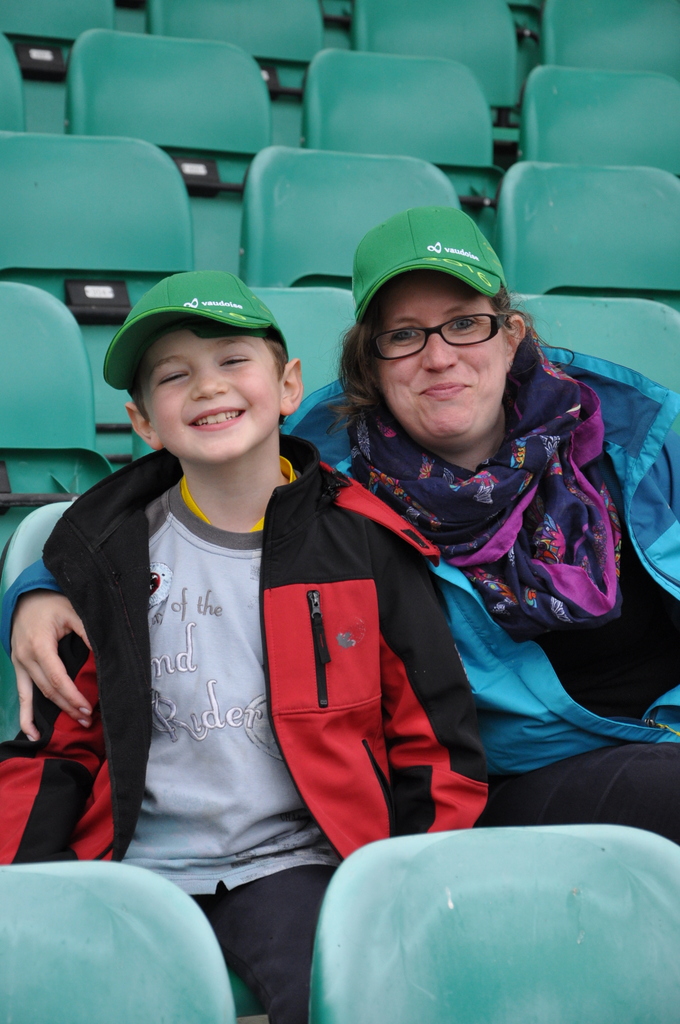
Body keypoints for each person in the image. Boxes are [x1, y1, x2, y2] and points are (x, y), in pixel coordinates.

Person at [8, 203, 680, 839]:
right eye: (404, 335)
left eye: (464, 323)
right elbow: (186, 476)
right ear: (370, 364)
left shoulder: (630, 432)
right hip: (516, 775)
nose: (439, 356)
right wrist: (45, 584)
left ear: (511, 339)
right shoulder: (327, 469)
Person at [0, 270, 487, 1024]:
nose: (207, 386)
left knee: (348, 996)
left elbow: (435, 737)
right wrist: (27, 879)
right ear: (142, 422)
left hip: (297, 864)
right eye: (174, 375)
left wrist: (412, 883)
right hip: (136, 871)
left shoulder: (365, 545)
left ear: (288, 386)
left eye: (233, 360)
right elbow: (60, 742)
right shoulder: (105, 559)